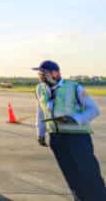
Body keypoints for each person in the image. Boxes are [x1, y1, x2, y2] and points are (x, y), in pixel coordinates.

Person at [33, 60, 105, 200]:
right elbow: (40, 112)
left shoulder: (74, 87)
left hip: (77, 137)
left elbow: (94, 110)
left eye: (44, 72)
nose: (41, 75)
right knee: (70, 174)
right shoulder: (40, 89)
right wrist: (40, 133)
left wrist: (75, 119)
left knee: (89, 172)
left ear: (56, 73)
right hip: (56, 138)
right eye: (40, 73)